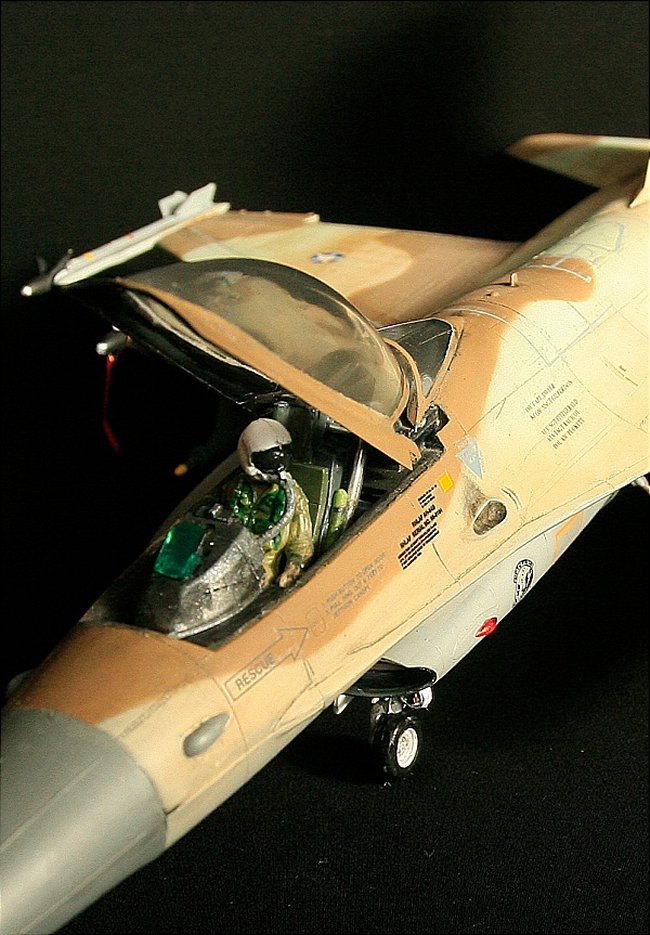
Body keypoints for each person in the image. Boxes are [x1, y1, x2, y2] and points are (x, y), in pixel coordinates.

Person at [220, 418, 314, 587]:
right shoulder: (234, 487)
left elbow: (301, 539)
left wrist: (295, 566)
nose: (276, 469)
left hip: (261, 574)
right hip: (225, 560)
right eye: (267, 462)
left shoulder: (292, 496)